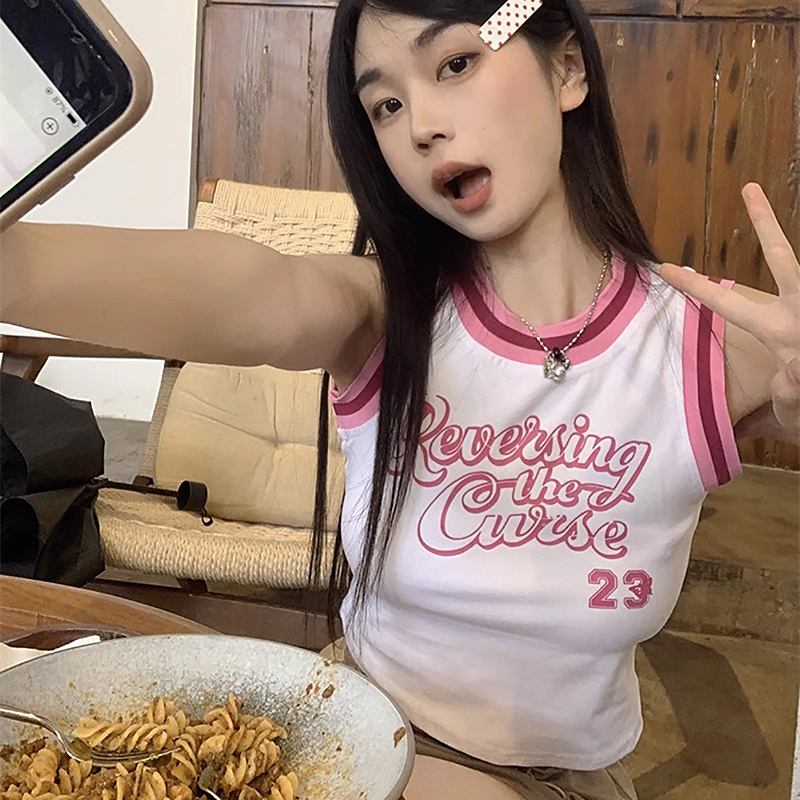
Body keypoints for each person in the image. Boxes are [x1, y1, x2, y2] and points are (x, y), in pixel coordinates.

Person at [2, 0, 798, 797]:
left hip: (558, 779)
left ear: (567, 69)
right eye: (385, 104)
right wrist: (14, 266)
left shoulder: (713, 340)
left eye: (455, 63)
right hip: (348, 736)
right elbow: (265, 295)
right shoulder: (386, 314)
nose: (419, 126)